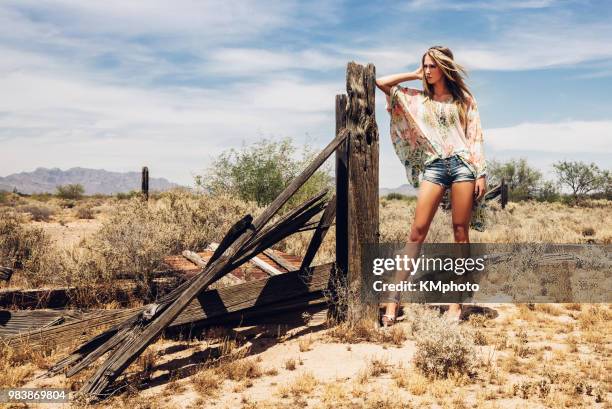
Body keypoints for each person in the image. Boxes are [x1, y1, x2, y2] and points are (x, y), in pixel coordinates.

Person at [375, 46, 487, 325]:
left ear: (444, 68)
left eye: (431, 66)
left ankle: (455, 304)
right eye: (424, 66)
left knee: (460, 233)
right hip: (435, 166)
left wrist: (481, 172)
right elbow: (382, 83)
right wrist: (413, 75)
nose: (427, 71)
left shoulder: (464, 100)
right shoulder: (418, 99)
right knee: (417, 233)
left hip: (463, 166)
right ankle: (393, 299)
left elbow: (475, 136)